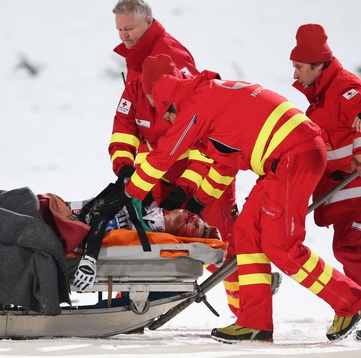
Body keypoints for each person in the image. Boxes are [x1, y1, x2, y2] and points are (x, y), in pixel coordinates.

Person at [89, 54, 361, 343]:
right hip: (284, 160)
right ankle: (254, 323)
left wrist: (128, 194)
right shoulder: (210, 95)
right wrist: (197, 200)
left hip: (292, 157)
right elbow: (226, 163)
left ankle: (351, 301)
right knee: (246, 232)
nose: (172, 122)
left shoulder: (196, 105)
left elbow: (164, 156)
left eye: (169, 116)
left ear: (170, 104)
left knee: (282, 247)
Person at [106, 0, 249, 316]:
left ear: (147, 22)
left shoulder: (172, 58)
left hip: (204, 169)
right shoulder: (137, 59)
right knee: (152, 241)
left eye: (128, 29)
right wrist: (125, 166)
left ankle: (248, 316)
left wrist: (187, 187)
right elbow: (126, 122)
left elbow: (197, 130)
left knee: (221, 244)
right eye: (119, 30)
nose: (123, 37)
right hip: (162, 169)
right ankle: (141, 303)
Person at [289, 23, 361, 341]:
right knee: (358, 251)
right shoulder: (320, 99)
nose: (295, 75)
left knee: (351, 249)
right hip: (345, 193)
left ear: (317, 64)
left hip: (360, 187)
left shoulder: (343, 86)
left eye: (299, 67)